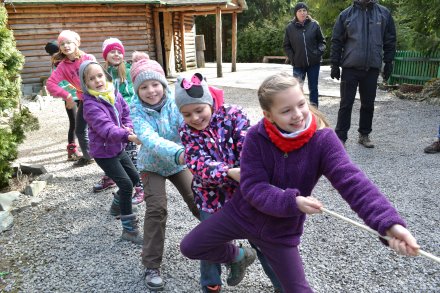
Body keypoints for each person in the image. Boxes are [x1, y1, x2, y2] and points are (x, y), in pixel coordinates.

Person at [180, 72, 420, 293]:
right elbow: (253, 187)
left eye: (301, 104)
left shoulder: (323, 140)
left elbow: (353, 182)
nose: (297, 114)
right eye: (286, 111)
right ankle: (241, 255)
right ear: (268, 115)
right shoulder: (256, 136)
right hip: (241, 215)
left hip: (281, 231)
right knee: (190, 246)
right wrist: (292, 201)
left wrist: (389, 225)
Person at [175, 73, 282, 293]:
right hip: (210, 198)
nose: (194, 118)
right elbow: (197, 164)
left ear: (210, 102)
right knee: (209, 243)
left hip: (246, 196)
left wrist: (251, 169)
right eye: (186, 114)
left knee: (264, 242)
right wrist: (229, 172)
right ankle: (211, 286)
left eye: (199, 110)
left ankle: (284, 285)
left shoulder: (234, 114)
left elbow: (249, 143)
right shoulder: (186, 132)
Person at [129, 51, 200, 291]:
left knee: (198, 198)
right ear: (137, 91)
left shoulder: (174, 103)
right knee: (157, 209)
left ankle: (220, 240)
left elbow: (187, 126)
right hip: (152, 166)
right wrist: (180, 152)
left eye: (155, 84)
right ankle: (151, 265)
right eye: (144, 87)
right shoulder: (137, 111)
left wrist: (192, 148)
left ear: (163, 83)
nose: (151, 91)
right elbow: (148, 139)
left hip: (179, 163)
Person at [79, 60, 143, 244]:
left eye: (99, 75)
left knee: (133, 178)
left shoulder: (113, 92)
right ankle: (129, 230)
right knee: (125, 185)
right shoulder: (90, 105)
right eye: (91, 78)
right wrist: (129, 136)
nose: (97, 80)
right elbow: (106, 129)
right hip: (104, 153)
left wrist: (128, 127)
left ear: (105, 75)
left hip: (118, 148)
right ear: (85, 83)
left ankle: (116, 208)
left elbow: (125, 113)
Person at [330, 0, 396, 148]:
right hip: (350, 67)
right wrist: (334, 63)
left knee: (368, 104)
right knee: (346, 103)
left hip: (372, 68)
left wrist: (389, 62)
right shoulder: (346, 15)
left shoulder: (384, 14)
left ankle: (364, 135)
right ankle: (340, 137)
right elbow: (336, 40)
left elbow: (390, 39)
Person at [92, 37, 144, 205]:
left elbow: (130, 95)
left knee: (129, 154)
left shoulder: (127, 71)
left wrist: (126, 119)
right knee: (108, 148)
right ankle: (111, 176)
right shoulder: (101, 72)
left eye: (119, 51)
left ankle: (140, 186)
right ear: (105, 55)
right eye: (111, 51)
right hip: (107, 118)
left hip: (124, 118)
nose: (116, 54)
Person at [46, 30, 96, 166]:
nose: (66, 46)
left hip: (99, 99)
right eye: (62, 43)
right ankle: (88, 156)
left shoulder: (88, 58)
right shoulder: (62, 66)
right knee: (80, 130)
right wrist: (67, 96)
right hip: (84, 100)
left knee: (102, 126)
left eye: (69, 42)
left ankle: (113, 155)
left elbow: (100, 78)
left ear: (77, 43)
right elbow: (50, 84)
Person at [283, 2, 326, 108]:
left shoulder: (314, 25)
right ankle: (300, 112)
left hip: (314, 64)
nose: (302, 13)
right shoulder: (289, 28)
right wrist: (293, 58)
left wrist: (318, 53)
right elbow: (286, 46)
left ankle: (315, 112)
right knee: (297, 89)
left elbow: (322, 42)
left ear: (307, 12)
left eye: (304, 10)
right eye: (299, 11)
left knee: (313, 88)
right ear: (295, 13)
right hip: (298, 64)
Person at [44, 41, 82, 161]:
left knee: (82, 122)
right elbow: (56, 84)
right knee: (74, 123)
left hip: (80, 95)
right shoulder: (58, 66)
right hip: (71, 98)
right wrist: (67, 92)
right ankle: (72, 150)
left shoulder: (73, 61)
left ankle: (84, 147)